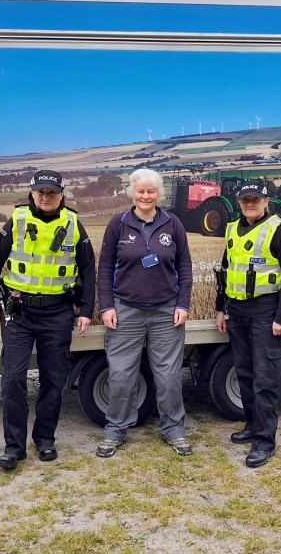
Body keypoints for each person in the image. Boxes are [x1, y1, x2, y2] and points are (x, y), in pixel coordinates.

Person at [0, 170, 95, 470]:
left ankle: (45, 439)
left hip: (57, 313)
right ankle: (14, 448)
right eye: (40, 192)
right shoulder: (16, 222)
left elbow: (89, 270)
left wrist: (86, 310)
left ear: (61, 195)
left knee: (54, 381)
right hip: (18, 313)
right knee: (13, 379)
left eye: (51, 193)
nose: (46, 197)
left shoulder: (73, 224)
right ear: (31, 194)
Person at [96, 168, 193, 458]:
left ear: (159, 194)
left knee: (169, 377)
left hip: (166, 313)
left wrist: (182, 304)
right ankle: (115, 431)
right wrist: (107, 306)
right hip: (126, 311)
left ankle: (174, 430)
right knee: (122, 375)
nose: (146, 196)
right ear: (132, 193)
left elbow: (185, 268)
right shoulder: (118, 224)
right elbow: (104, 270)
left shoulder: (172, 224)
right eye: (141, 191)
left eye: (151, 191)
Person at [215, 179, 281, 468]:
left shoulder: (279, 230)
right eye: (244, 200)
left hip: (266, 312)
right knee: (246, 373)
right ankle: (252, 426)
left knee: (265, 379)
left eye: (255, 199)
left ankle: (264, 441)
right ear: (239, 203)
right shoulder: (231, 229)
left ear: (266, 201)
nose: (249, 204)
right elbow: (225, 271)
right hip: (237, 312)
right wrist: (219, 308)